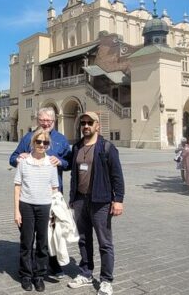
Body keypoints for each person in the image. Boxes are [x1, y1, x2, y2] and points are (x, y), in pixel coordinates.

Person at [10, 107, 71, 279]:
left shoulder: (61, 140)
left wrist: (60, 161)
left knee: (50, 233)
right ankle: (27, 271)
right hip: (29, 196)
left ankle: (53, 265)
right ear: (38, 120)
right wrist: (18, 158)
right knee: (29, 237)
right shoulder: (28, 138)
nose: (45, 123)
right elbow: (12, 158)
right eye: (42, 120)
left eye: (48, 121)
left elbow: (70, 162)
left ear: (54, 121)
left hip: (51, 195)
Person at [67, 111, 124, 295]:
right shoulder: (76, 147)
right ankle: (86, 272)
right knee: (83, 240)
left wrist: (118, 200)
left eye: (89, 123)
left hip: (101, 201)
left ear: (97, 125)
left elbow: (117, 176)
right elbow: (73, 174)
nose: (85, 126)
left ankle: (106, 280)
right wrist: (72, 198)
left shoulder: (107, 147)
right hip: (80, 200)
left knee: (104, 242)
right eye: (83, 123)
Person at [14, 128, 59, 292]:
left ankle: (39, 276)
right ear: (33, 143)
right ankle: (26, 275)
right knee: (26, 242)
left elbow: (55, 189)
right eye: (39, 141)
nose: (42, 145)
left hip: (45, 206)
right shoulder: (24, 162)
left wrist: (55, 212)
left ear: (48, 145)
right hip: (26, 205)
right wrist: (16, 211)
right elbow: (17, 187)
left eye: (45, 142)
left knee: (42, 244)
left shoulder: (51, 164)